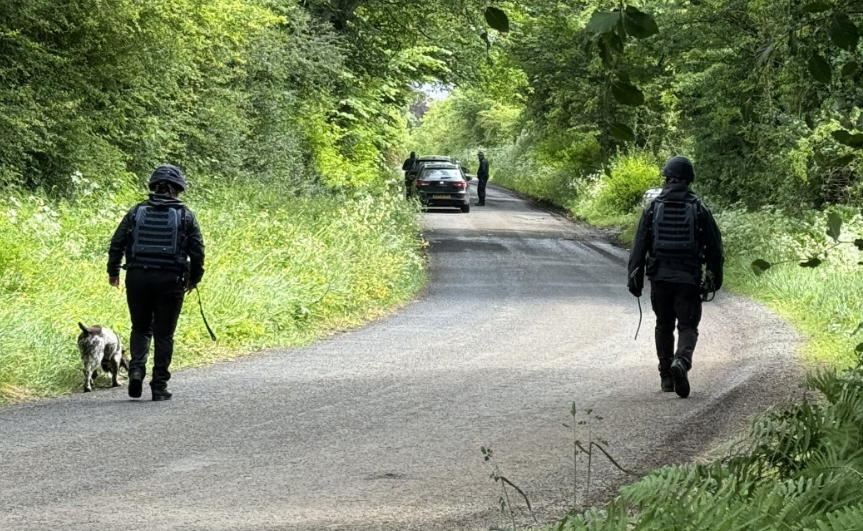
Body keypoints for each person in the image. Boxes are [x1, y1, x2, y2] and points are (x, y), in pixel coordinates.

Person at [627, 156, 724, 398]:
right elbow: (715, 248)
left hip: (659, 277)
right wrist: (714, 278)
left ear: (666, 177)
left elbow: (639, 244)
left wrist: (634, 277)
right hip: (688, 278)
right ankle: (681, 362)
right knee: (688, 325)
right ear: (689, 179)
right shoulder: (699, 209)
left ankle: (666, 378)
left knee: (663, 325)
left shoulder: (653, 207)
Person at [107, 164, 205, 401]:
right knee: (164, 334)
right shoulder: (186, 215)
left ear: (154, 186)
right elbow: (198, 252)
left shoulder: (136, 211)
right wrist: (194, 278)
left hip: (138, 277)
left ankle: (136, 372)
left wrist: (113, 272)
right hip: (170, 280)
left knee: (140, 328)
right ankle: (159, 386)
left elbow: (117, 242)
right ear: (178, 189)